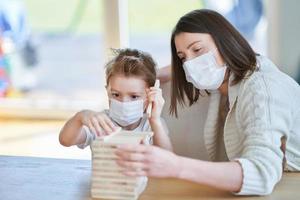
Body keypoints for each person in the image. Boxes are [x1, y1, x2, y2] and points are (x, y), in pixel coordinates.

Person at [114, 9, 300, 195]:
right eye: (182, 57)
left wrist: (177, 166)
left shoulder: (262, 89)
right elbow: (183, 68)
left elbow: (261, 172)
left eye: (197, 50)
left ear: (225, 43)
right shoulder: (223, 83)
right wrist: (150, 76)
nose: (190, 64)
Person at [59, 48, 172, 151]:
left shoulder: (152, 125)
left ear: (149, 96)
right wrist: (80, 116)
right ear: (107, 91)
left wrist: (155, 120)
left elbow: (167, 157)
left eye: (134, 96)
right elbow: (65, 141)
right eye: (116, 94)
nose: (123, 103)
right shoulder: (100, 122)